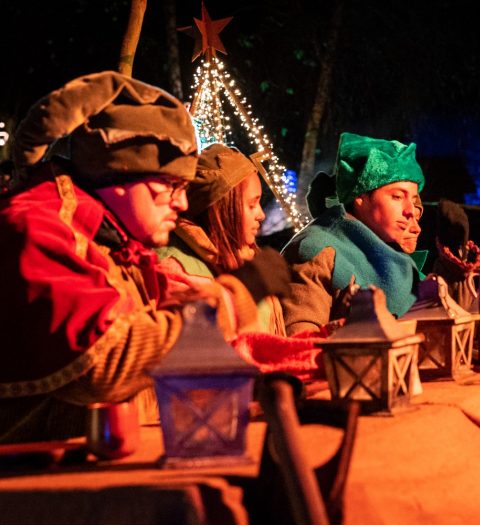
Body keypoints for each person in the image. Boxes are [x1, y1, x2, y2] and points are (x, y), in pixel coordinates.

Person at [0, 71, 288, 443]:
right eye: (171, 185)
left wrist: (194, 299)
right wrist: (232, 300)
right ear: (122, 175)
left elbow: (152, 318)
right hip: (28, 485)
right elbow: (105, 362)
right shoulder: (40, 229)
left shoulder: (112, 243)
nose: (183, 203)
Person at [281, 132, 425, 335]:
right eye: (397, 196)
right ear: (360, 196)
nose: (411, 210)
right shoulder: (318, 251)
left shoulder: (391, 251)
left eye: (413, 199)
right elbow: (302, 341)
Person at [157, 143, 285, 334]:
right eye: (252, 205)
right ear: (221, 210)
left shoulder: (246, 258)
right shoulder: (176, 267)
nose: (261, 215)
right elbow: (192, 340)